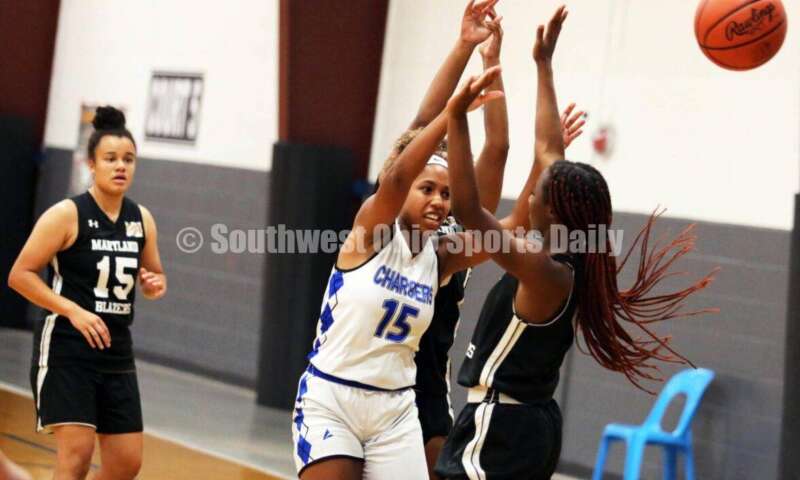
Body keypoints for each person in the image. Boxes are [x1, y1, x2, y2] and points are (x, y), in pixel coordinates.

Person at [435, 6, 717, 479]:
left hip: (501, 426)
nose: (532, 190)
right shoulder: (567, 257)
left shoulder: (544, 269)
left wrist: (457, 119)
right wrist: (543, 65)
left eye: (538, 191)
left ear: (551, 211)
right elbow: (548, 152)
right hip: (529, 423)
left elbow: (469, 213)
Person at [8, 106, 167, 480]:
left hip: (117, 350)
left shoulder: (141, 218)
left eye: (128, 159)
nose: (120, 166)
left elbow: (155, 276)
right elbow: (20, 275)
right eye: (110, 159)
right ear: (91, 164)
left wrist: (154, 285)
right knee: (76, 458)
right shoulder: (66, 214)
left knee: (126, 463)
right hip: (68, 347)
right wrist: (72, 311)